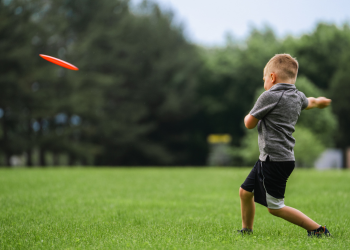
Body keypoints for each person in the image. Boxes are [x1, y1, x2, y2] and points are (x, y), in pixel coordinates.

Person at [238, 54, 332, 237]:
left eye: (264, 78)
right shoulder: (297, 96)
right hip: (275, 158)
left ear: (272, 77)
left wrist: (248, 115)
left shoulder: (269, 95)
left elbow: (249, 123)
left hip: (274, 160)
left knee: (275, 207)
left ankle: (318, 229)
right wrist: (319, 102)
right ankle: (246, 230)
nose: (264, 82)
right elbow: (310, 102)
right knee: (245, 192)